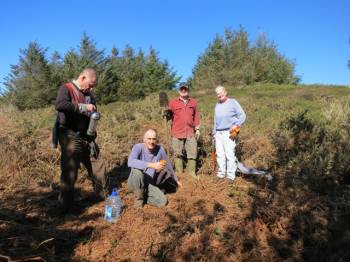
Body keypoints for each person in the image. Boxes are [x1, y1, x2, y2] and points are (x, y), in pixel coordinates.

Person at [55, 68, 107, 212]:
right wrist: (83, 107)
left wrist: (93, 123)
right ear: (83, 78)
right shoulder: (66, 88)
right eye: (90, 85)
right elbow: (60, 105)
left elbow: (93, 114)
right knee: (70, 170)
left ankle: (101, 197)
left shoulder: (89, 95)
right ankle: (65, 208)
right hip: (69, 134)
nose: (91, 88)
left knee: (98, 164)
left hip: (87, 136)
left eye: (93, 86)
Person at [127, 129, 181, 208]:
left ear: (156, 140)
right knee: (137, 171)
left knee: (162, 201)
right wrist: (151, 165)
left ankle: (142, 195)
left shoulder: (160, 149)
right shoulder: (138, 147)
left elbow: (168, 165)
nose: (151, 141)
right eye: (149, 139)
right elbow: (131, 162)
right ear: (144, 139)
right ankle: (138, 204)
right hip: (135, 181)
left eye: (154, 139)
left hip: (148, 183)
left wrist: (175, 179)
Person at [166, 82, 200, 178]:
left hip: (190, 131)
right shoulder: (173, 103)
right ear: (179, 91)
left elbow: (196, 116)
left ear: (188, 90)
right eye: (182, 89)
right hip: (177, 131)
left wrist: (197, 129)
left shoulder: (193, 102)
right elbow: (168, 116)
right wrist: (165, 113)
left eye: (185, 89)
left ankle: (191, 173)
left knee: (193, 152)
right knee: (177, 153)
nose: (183, 90)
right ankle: (180, 173)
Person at [213, 85, 246, 181]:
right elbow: (215, 121)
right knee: (220, 154)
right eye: (217, 93)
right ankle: (221, 174)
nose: (219, 95)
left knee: (229, 154)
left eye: (221, 92)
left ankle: (231, 176)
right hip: (218, 133)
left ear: (225, 92)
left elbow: (242, 115)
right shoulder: (217, 105)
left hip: (229, 132)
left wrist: (236, 125)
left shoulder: (233, 102)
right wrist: (214, 133)